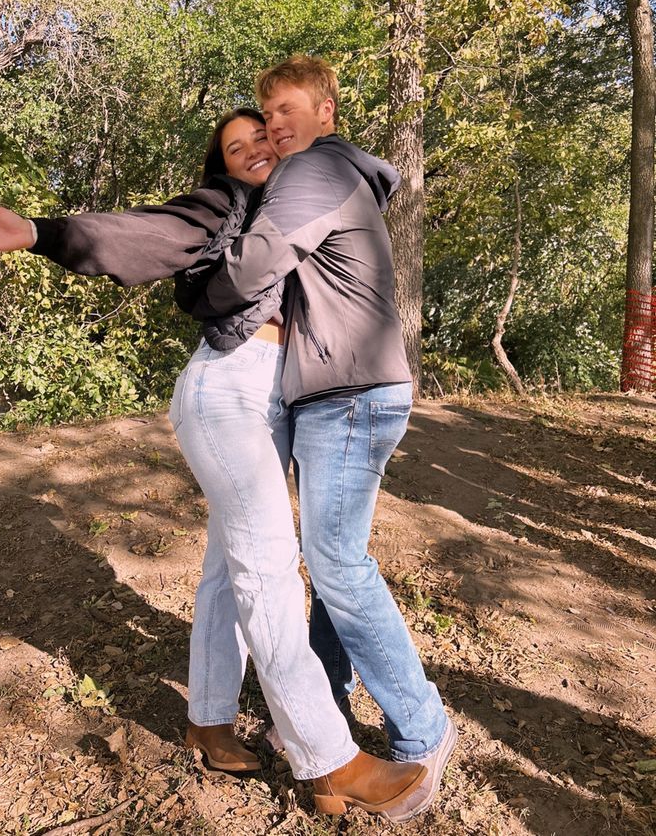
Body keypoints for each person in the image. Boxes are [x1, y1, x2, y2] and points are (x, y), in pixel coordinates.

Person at [0, 108, 427, 818]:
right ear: (226, 170)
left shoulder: (301, 207)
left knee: (226, 566)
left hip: (270, 397)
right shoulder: (225, 206)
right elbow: (154, 234)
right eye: (235, 150)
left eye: (260, 137)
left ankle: (208, 718)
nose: (253, 152)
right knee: (268, 567)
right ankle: (329, 760)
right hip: (229, 387)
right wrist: (41, 233)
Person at [204, 56, 458, 823]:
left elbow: (253, 264)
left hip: (347, 396)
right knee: (331, 555)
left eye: (288, 109)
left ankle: (424, 725)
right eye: (266, 113)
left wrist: (200, 291)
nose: (275, 125)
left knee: (340, 564)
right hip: (344, 392)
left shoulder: (313, 168)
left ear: (326, 113)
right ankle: (329, 700)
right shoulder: (331, 171)